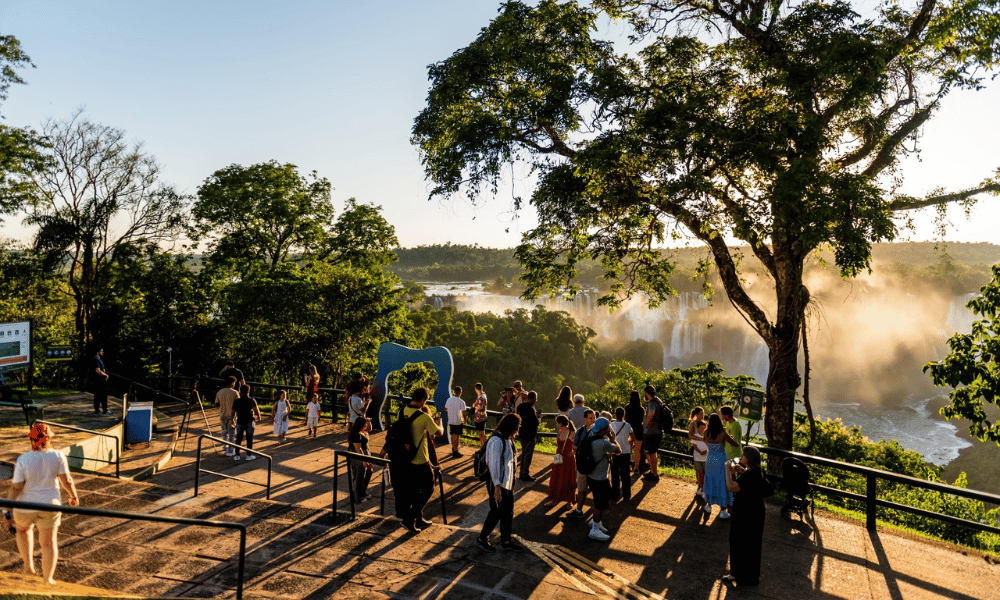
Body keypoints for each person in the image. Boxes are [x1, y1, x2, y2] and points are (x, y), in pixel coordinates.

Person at [2, 423, 79, 584]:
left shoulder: (23, 459)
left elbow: (17, 487)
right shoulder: (58, 456)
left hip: (25, 505)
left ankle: (29, 566)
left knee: (23, 531)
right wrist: (73, 496)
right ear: (49, 438)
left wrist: (6, 511)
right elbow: (67, 480)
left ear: (31, 439)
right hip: (50, 504)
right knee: (48, 543)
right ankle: (48, 579)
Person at [475, 413, 524, 553]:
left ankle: (506, 541)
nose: (517, 430)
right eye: (517, 427)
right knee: (496, 512)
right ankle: (482, 538)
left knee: (508, 512)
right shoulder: (497, 441)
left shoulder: (507, 438)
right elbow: (493, 464)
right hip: (497, 483)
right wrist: (497, 487)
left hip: (506, 483)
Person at [723, 446, 772, 587]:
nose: (741, 456)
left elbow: (731, 487)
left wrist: (728, 469)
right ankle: (749, 577)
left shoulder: (749, 474)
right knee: (752, 544)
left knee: (738, 541)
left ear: (748, 458)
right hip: (756, 510)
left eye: (743, 455)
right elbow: (753, 483)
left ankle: (737, 574)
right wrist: (741, 471)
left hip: (745, 511)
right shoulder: (759, 471)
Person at [399, 387, 443, 533]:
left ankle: (419, 518)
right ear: (423, 400)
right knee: (428, 488)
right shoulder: (424, 416)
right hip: (420, 460)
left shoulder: (402, 411)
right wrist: (440, 423)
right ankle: (409, 519)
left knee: (415, 491)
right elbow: (438, 433)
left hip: (405, 458)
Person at [584, 417, 620, 541]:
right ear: (605, 430)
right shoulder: (603, 443)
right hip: (600, 478)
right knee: (600, 504)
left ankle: (596, 522)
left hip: (591, 476)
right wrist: (613, 439)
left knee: (599, 500)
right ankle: (594, 529)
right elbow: (618, 450)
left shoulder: (590, 435)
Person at [703, 413, 739, 518]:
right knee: (722, 482)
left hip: (710, 459)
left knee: (710, 480)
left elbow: (704, 442)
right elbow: (735, 444)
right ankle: (723, 510)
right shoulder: (723, 434)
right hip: (721, 460)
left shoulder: (706, 432)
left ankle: (708, 505)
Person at [565, 408, 596, 519]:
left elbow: (576, 447)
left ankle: (595, 514)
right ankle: (579, 510)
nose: (593, 420)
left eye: (594, 418)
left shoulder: (596, 430)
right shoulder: (580, 431)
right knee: (581, 489)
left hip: (593, 465)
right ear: (585, 419)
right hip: (582, 464)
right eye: (590, 418)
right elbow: (574, 446)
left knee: (595, 490)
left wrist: (579, 449)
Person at [544, 415, 576, 508]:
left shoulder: (572, 432)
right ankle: (554, 499)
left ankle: (569, 501)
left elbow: (576, 445)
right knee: (556, 478)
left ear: (561, 423)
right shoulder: (560, 431)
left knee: (568, 479)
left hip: (568, 459)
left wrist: (573, 452)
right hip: (559, 459)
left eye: (557, 423)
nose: (557, 425)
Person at [610, 407, 635, 503]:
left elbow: (610, 437)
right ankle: (626, 495)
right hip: (625, 452)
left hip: (614, 451)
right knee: (625, 474)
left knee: (615, 474)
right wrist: (627, 441)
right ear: (624, 415)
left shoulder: (611, 425)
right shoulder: (627, 425)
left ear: (615, 415)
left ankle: (615, 495)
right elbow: (632, 437)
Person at [231, 384, 261, 461]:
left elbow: (233, 412)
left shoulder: (237, 401)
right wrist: (258, 416)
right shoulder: (251, 400)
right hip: (249, 420)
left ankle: (237, 454)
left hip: (240, 420)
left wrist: (232, 420)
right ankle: (249, 454)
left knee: (238, 438)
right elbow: (256, 410)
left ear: (240, 391)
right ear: (248, 391)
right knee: (249, 438)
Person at [348, 417, 374, 502]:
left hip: (365, 454)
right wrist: (364, 460)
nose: (366, 426)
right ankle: (358, 496)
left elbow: (369, 429)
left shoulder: (362, 432)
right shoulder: (356, 434)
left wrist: (369, 422)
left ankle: (363, 491)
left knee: (368, 472)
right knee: (360, 475)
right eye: (365, 424)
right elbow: (358, 449)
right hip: (358, 456)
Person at [516, 390, 540, 482]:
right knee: (528, 454)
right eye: (535, 399)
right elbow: (535, 422)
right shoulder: (531, 408)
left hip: (521, 433)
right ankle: (525, 474)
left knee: (523, 453)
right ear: (533, 399)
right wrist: (538, 418)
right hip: (530, 434)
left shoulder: (520, 406)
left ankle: (521, 473)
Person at [641, 385, 663, 483]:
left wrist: (647, 423)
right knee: (653, 453)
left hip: (651, 432)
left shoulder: (652, 403)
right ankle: (653, 472)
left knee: (650, 453)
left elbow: (651, 412)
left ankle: (654, 474)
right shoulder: (659, 401)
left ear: (647, 393)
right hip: (657, 431)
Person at [215, 376, 239, 455]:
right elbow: (238, 404)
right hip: (231, 415)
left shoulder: (220, 392)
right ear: (232, 383)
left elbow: (217, 403)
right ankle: (230, 450)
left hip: (222, 414)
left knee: (224, 432)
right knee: (231, 433)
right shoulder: (235, 392)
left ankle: (225, 448)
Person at [625, 390, 647, 474]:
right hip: (638, 431)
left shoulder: (627, 408)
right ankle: (636, 468)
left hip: (629, 431)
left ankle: (627, 466)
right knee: (637, 450)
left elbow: (626, 420)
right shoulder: (641, 409)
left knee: (628, 449)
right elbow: (642, 420)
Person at [688, 407, 707, 498]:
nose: (701, 416)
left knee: (704, 469)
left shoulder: (704, 424)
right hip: (697, 449)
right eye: (700, 414)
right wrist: (700, 439)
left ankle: (702, 485)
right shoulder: (693, 424)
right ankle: (700, 484)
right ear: (695, 414)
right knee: (698, 469)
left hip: (705, 451)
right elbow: (690, 435)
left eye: (702, 414)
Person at [445, 385, 468, 458]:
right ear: (461, 392)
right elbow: (464, 413)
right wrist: (465, 419)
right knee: (457, 436)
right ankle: (455, 450)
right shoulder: (461, 402)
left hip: (451, 420)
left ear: (454, 392)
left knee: (453, 435)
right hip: (458, 421)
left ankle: (453, 448)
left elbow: (445, 409)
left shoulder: (449, 400)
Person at [89, 346, 110, 416]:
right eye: (101, 351)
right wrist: (105, 375)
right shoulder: (96, 360)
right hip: (98, 381)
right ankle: (99, 410)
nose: (102, 352)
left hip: (100, 380)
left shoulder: (98, 359)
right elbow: (97, 370)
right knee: (99, 395)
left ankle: (104, 409)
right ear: (98, 352)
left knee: (101, 395)